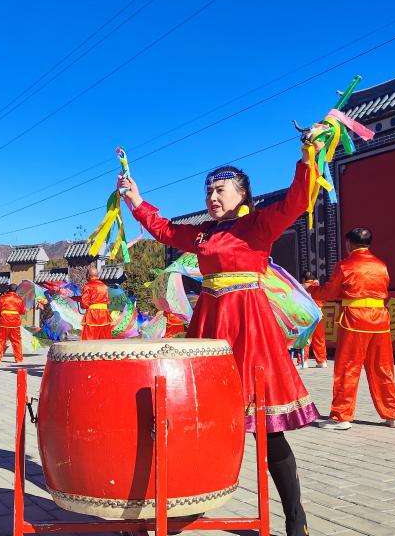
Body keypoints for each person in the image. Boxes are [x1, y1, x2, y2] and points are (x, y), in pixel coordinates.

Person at [120, 152, 317, 536]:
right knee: (197, 418)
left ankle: (295, 516)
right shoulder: (204, 233)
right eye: (209, 190)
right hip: (210, 323)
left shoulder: (260, 224)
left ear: (242, 194)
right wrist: (135, 199)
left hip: (248, 326)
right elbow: (164, 230)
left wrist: (308, 156)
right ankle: (185, 500)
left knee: (265, 427)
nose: (212, 195)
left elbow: (298, 198)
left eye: (220, 189)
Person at [308, 227, 395, 430]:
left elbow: (330, 292)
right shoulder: (381, 266)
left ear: (349, 244)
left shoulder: (345, 265)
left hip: (355, 320)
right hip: (380, 320)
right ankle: (393, 415)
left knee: (348, 367)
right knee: (383, 368)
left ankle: (342, 416)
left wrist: (312, 290)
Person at [301, 271, 328, 368]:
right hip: (318, 315)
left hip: (307, 315)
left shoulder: (300, 287)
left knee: (306, 338)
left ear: (304, 279)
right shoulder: (319, 287)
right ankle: (322, 361)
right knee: (319, 338)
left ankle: (303, 361)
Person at [0, 286, 25, 363]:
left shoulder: (2, 298)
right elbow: (22, 312)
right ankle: (19, 359)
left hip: (3, 322)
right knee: (16, 341)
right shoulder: (19, 299)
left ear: (8, 290)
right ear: (16, 290)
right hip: (15, 323)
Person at [80, 267, 112, 340]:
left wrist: (81, 304)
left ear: (88, 275)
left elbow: (84, 303)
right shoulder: (104, 286)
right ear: (98, 276)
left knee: (90, 338)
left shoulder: (88, 286)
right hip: (104, 314)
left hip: (92, 314)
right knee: (105, 338)